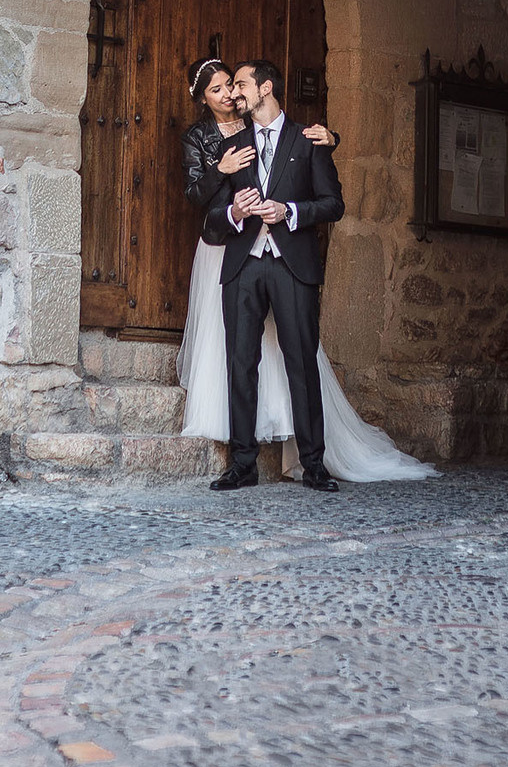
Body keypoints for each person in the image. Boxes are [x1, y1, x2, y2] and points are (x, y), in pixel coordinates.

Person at [175, 57, 437, 489]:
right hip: (242, 264)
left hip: (291, 265)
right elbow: (212, 219)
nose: (235, 93)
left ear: (266, 88)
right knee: (241, 364)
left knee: (301, 362)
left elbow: (333, 204)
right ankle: (242, 464)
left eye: (241, 85)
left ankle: (313, 464)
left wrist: (290, 211)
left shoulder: (309, 141)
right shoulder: (231, 147)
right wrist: (235, 212)